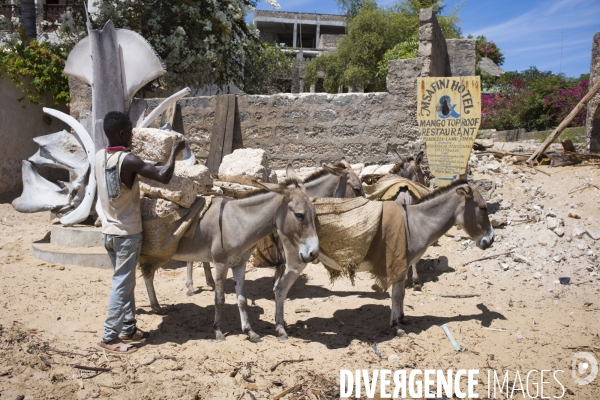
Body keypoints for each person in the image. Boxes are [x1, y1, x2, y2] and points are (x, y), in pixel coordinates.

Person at [95, 111, 185, 355]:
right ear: (123, 133)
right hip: (127, 234)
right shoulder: (129, 160)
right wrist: (175, 149)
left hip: (109, 232)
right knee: (121, 284)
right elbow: (164, 176)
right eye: (131, 131)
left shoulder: (98, 157)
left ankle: (128, 327)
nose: (134, 135)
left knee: (125, 282)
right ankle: (109, 337)